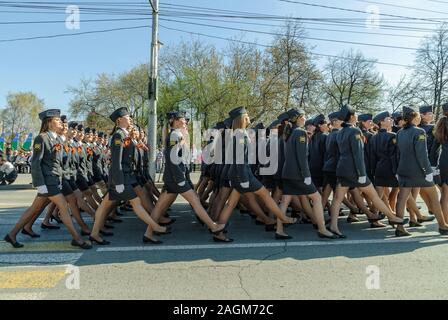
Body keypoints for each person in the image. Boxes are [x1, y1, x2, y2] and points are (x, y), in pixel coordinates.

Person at [4, 109, 91, 249]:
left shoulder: (56, 139)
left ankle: (12, 234)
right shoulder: (41, 138)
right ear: (49, 123)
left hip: (56, 179)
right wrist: (39, 183)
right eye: (57, 120)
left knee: (33, 209)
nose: (60, 123)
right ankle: (77, 238)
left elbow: (58, 162)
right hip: (48, 180)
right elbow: (36, 163)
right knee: (63, 206)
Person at [329, 104, 409, 238]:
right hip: (354, 170)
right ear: (352, 117)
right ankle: (392, 217)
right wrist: (361, 173)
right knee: (374, 196)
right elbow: (357, 154)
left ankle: (333, 226)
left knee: (337, 199)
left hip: (342, 169)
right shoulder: (354, 132)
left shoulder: (340, 132)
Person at [276, 108, 337, 240]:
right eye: (303, 116)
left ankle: (279, 230)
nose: (305, 118)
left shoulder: (289, 132)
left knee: (285, 201)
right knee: (316, 198)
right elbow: (302, 158)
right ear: (298, 118)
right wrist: (306, 176)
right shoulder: (300, 133)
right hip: (298, 174)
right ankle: (322, 229)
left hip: (287, 173)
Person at [395, 105, 448, 236]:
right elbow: (422, 154)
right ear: (415, 116)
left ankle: (399, 227)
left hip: (403, 170)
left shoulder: (400, 132)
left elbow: (398, 154)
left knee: (402, 199)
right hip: (418, 171)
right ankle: (442, 226)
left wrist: (397, 170)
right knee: (434, 198)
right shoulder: (419, 132)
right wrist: (428, 171)